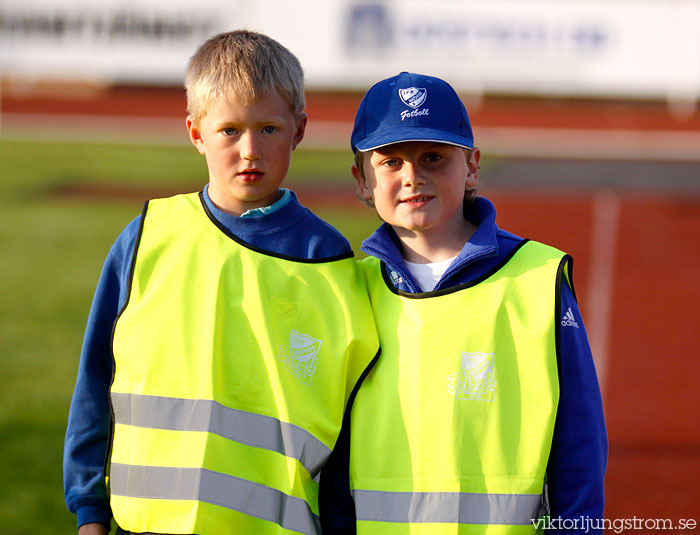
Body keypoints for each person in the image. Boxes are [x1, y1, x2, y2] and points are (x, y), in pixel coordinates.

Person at [63, 30, 379, 535]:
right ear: (196, 133)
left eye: (269, 129)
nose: (249, 150)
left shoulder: (327, 258)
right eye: (229, 130)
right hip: (144, 524)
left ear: (299, 130)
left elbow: (350, 420)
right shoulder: (148, 236)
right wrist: (89, 509)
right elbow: (97, 378)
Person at [319, 72, 608, 534]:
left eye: (433, 157)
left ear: (472, 165)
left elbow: (579, 441)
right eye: (390, 162)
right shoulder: (350, 290)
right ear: (361, 179)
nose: (412, 177)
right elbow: (332, 455)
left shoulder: (537, 278)